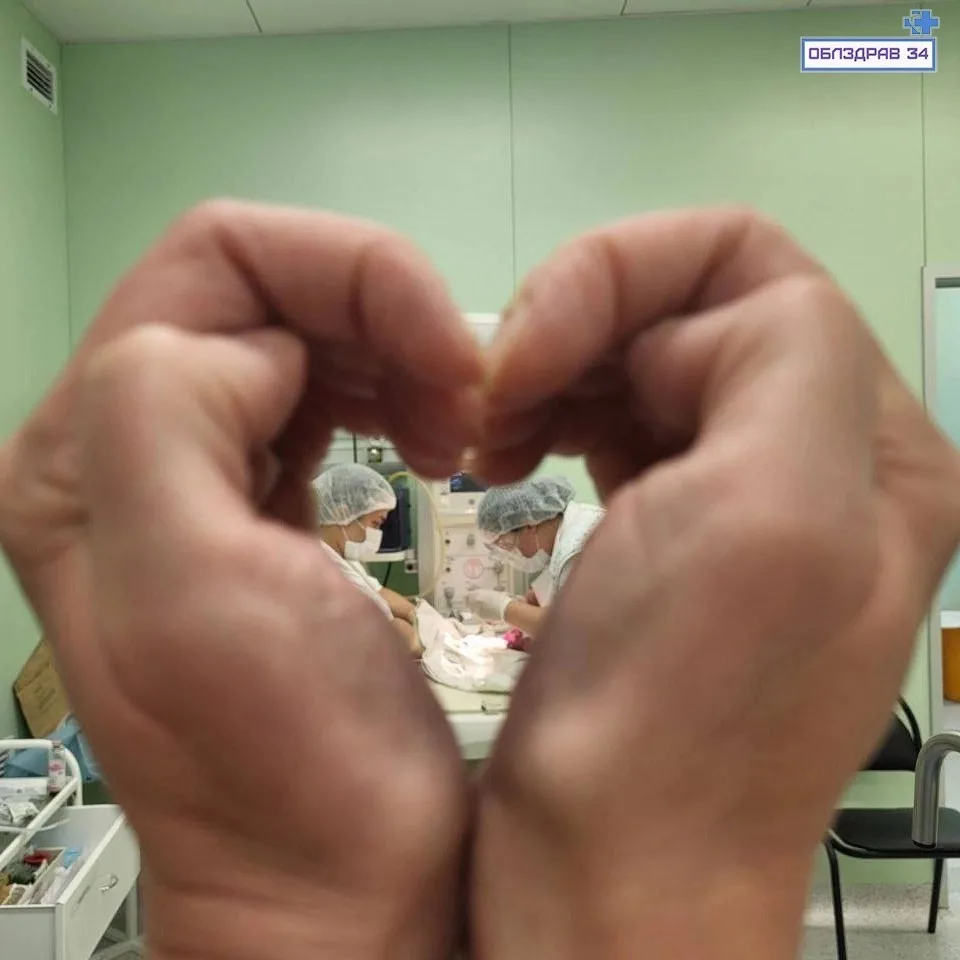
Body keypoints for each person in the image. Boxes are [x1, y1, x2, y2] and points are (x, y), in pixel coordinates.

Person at [1, 199, 959, 960]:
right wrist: (668, 893)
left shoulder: (587, 545)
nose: (373, 527)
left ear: (532, 519)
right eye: (366, 518)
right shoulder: (339, 568)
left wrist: (279, 907)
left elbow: (522, 625)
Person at [464, 475, 604, 636]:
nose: (509, 554)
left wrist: (505, 608)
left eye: (506, 545)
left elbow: (569, 627)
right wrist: (525, 605)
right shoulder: (563, 535)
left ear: (529, 525)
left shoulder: (580, 546)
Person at [313, 462, 420, 654]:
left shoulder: (341, 555)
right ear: (342, 513)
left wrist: (415, 614)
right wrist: (427, 637)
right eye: (376, 523)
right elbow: (394, 638)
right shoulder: (319, 568)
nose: (377, 534)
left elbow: (378, 591)